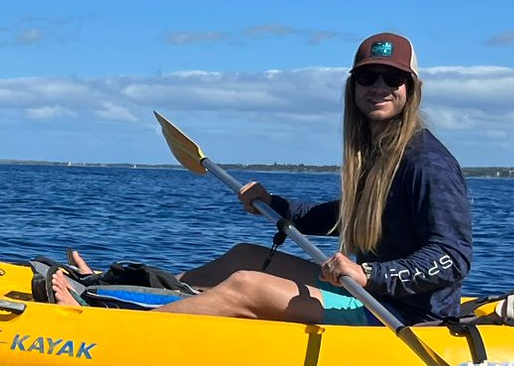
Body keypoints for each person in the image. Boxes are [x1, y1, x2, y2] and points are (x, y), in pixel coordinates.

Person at [155, 32, 471, 325]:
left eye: (393, 78)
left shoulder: (429, 164)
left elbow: (452, 257)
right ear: (354, 87)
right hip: (369, 293)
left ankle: (131, 334)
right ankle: (144, 296)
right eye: (367, 77)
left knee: (246, 285)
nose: (379, 87)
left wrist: (369, 274)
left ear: (411, 89)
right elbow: (343, 217)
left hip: (399, 316)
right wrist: (274, 204)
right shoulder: (380, 154)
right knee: (243, 256)